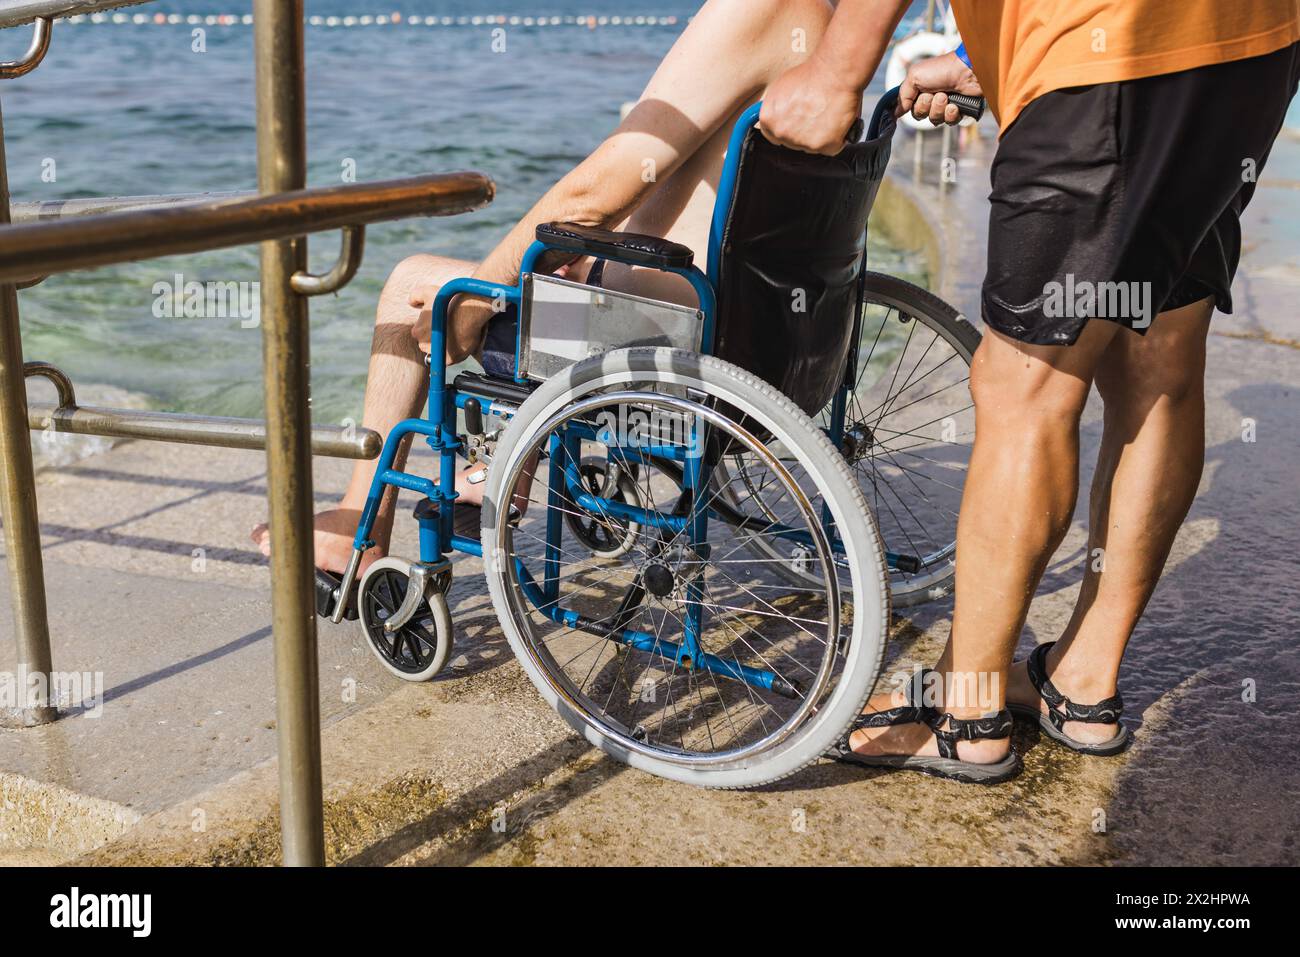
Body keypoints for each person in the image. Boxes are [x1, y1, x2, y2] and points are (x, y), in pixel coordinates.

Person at [762, 0, 1300, 781]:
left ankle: (964, 709)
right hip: (1244, 46)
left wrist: (837, 69)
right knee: (1158, 360)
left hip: (1102, 57)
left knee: (1025, 382)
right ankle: (1081, 683)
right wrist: (992, 60)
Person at [250, 0, 842, 577]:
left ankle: (360, 525)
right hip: (764, 338)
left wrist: (475, 303)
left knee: (417, 283)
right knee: (547, 280)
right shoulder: (830, 26)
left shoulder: (756, 9)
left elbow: (597, 192)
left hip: (672, 345)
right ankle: (498, 466)